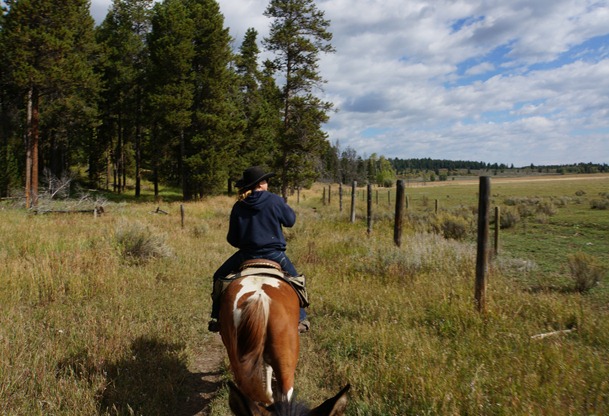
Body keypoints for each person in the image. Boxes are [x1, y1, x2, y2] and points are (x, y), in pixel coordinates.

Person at [208, 166, 309, 333]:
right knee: (297, 281)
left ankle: (217, 318)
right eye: (266, 180)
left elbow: (232, 239)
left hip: (246, 255)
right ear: (261, 183)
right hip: (275, 255)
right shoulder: (275, 200)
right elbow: (290, 221)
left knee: (218, 276)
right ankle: (302, 318)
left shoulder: (239, 205)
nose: (267, 183)